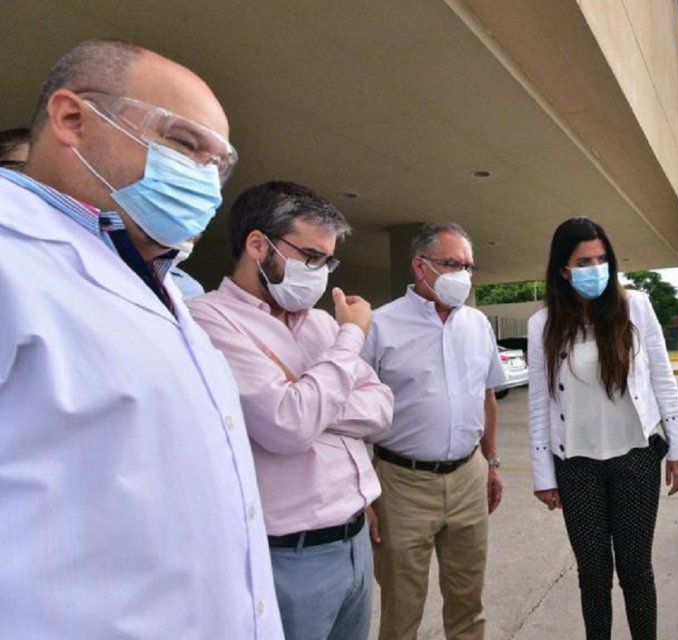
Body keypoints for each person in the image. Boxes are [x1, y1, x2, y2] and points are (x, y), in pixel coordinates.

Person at [0, 39, 283, 637]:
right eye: (184, 143)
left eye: (218, 164)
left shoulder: (160, 281)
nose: (204, 177)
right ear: (72, 119)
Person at [188, 181, 393, 640]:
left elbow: (382, 408)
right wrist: (351, 338)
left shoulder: (320, 323)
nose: (320, 272)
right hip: (288, 558)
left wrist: (307, 397)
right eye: (311, 256)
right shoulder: (208, 318)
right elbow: (288, 426)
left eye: (328, 261)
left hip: (356, 539)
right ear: (258, 245)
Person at [528, 217, 678, 640]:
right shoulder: (543, 324)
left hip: (636, 457)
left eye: (601, 259)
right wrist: (543, 474)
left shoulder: (636, 306)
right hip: (577, 466)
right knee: (593, 574)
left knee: (636, 570)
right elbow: (539, 403)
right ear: (564, 270)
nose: (595, 269)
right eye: (583, 262)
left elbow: (663, 378)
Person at [362, 222, 508, 640]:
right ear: (419, 265)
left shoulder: (477, 324)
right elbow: (350, 414)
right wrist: (363, 494)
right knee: (401, 607)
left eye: (468, 266)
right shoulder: (380, 325)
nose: (462, 275)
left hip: (468, 477)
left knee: (468, 602)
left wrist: (492, 462)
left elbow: (487, 397)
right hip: (401, 484)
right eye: (451, 264)